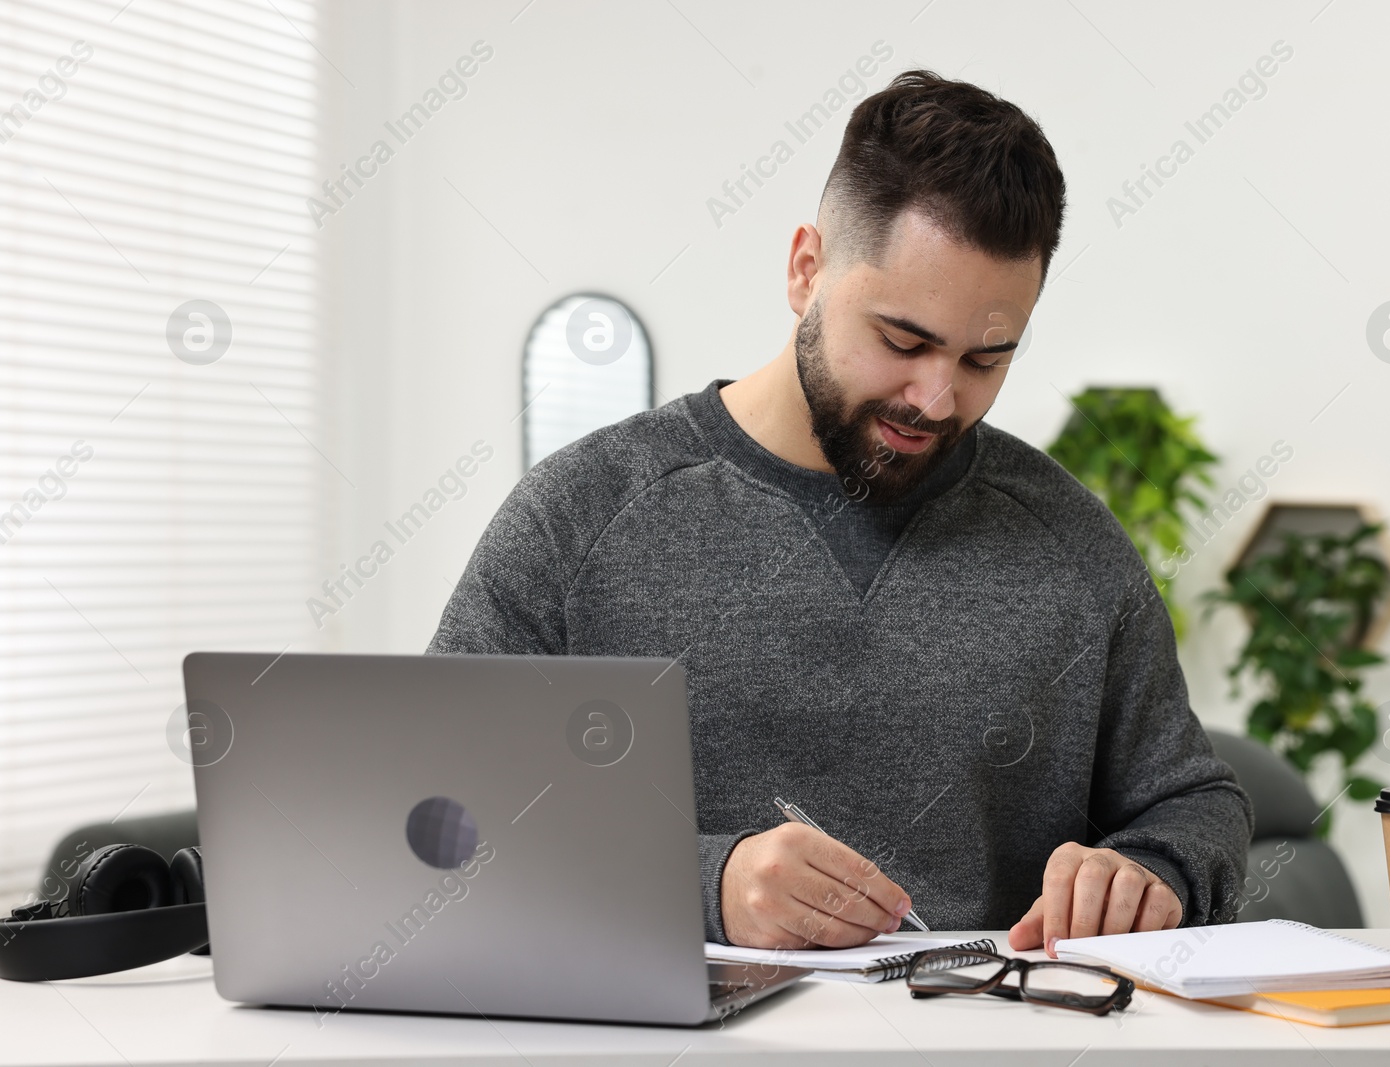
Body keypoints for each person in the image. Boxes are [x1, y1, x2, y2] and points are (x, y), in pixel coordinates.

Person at [427, 69, 1252, 954]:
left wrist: (1150, 871)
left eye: (987, 358)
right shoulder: (578, 518)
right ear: (805, 269)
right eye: (903, 340)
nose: (936, 398)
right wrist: (707, 883)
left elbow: (1195, 803)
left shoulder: (1068, 542)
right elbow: (438, 814)